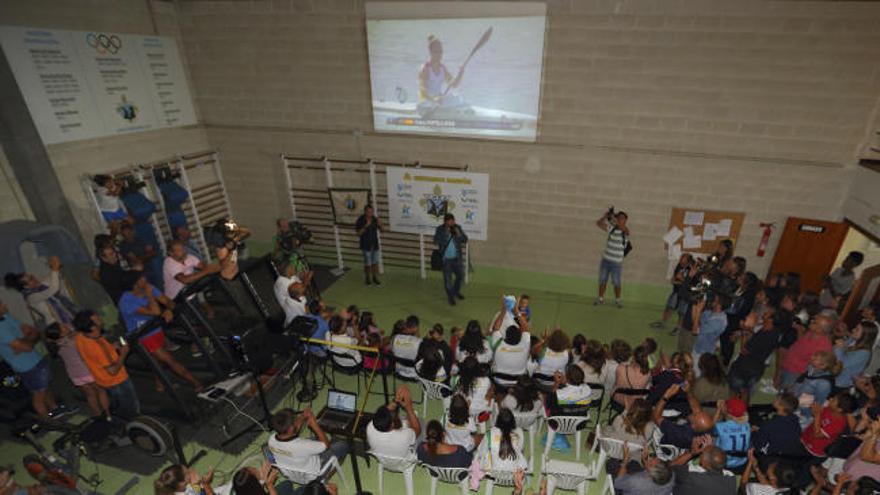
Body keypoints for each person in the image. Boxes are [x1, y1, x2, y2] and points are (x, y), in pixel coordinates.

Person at [118, 275, 202, 391]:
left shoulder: (149, 288)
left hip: (156, 330)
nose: (145, 280)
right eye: (141, 279)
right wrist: (149, 295)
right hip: (144, 336)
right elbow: (155, 312)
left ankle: (160, 385)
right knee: (169, 360)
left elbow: (168, 301)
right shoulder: (126, 301)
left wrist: (168, 310)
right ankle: (196, 383)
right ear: (135, 285)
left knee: (158, 361)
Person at [0, 299, 70, 419]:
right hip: (26, 366)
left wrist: (27, 340)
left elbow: (33, 332)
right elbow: (26, 346)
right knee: (39, 395)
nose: (4, 305)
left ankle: (55, 410)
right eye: (0, 304)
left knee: (45, 387)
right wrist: (27, 340)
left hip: (35, 359)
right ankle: (49, 422)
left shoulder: (6, 317)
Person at [73, 310, 140, 419]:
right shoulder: (96, 348)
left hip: (103, 380)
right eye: (97, 319)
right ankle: (135, 426)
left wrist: (112, 347)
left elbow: (98, 354)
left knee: (118, 405)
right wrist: (123, 353)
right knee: (130, 407)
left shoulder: (81, 337)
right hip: (117, 381)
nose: (100, 318)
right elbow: (113, 371)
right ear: (92, 328)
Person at [45, 322, 110, 419]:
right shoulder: (74, 341)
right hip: (88, 371)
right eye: (63, 327)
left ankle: (98, 414)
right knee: (101, 391)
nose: (66, 326)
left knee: (90, 395)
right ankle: (108, 415)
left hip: (76, 376)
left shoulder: (57, 345)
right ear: (61, 334)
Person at [267, 407, 349, 477]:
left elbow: (292, 430)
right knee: (343, 444)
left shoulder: (271, 440)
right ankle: (326, 477)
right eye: (294, 421)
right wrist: (314, 425)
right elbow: (326, 445)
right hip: (313, 474)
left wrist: (303, 416)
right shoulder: (302, 445)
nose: (296, 421)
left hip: (293, 473)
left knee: (314, 438)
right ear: (290, 428)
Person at [5, 255, 79, 327]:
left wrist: (54, 263)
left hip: (71, 313)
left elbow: (55, 276)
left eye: (32, 276)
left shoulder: (42, 284)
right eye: (30, 279)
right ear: (26, 286)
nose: (34, 278)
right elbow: (53, 290)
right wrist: (54, 269)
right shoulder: (31, 297)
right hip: (57, 324)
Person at [728, 306, 785, 400]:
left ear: (771, 320)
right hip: (756, 368)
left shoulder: (767, 335)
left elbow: (744, 350)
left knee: (736, 392)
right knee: (745, 393)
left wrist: (744, 331)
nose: (764, 313)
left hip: (745, 367)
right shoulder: (772, 331)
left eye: (767, 313)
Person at [653, 383, 715, 450]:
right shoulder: (705, 427)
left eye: (694, 415)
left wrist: (666, 396)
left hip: (665, 443)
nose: (694, 412)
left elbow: (656, 417)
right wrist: (688, 392)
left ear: (693, 425)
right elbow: (697, 408)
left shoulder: (682, 434)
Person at [780, 313, 834, 389]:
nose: (811, 321)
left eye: (815, 322)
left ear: (820, 329)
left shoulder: (824, 347)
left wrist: (799, 381)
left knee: (782, 396)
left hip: (794, 375)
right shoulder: (811, 333)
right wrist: (799, 330)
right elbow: (802, 344)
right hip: (787, 367)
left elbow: (816, 369)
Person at [367, 386, 421, 459]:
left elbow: (386, 411)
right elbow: (417, 430)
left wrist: (396, 400)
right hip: (403, 462)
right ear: (392, 424)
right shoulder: (404, 435)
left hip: (384, 458)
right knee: (421, 424)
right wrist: (409, 407)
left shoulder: (370, 427)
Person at [669, 438, 737, 494]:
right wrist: (710, 448)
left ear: (705, 463)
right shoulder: (731, 478)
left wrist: (691, 453)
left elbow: (668, 468)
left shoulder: (690, 474)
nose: (700, 455)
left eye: (702, 453)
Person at [594, 208, 630, 308]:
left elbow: (623, 227)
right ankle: (600, 299)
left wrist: (614, 218)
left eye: (622, 218)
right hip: (605, 260)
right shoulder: (612, 229)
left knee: (616, 282)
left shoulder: (625, 231)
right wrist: (606, 216)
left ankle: (618, 300)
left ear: (626, 220)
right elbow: (598, 223)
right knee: (602, 280)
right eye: (619, 218)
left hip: (616, 263)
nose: (620, 219)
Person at [751, 393, 803, 461]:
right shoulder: (795, 421)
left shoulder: (771, 424)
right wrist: (761, 430)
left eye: (777, 399)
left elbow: (759, 444)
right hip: (788, 454)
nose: (774, 399)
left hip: (773, 455)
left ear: (781, 407)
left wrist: (758, 432)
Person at [651, 253, 694, 331]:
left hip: (685, 294)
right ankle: (662, 322)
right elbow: (674, 278)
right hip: (676, 291)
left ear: (688, 262)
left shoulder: (691, 270)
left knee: (681, 312)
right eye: (681, 260)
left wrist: (681, 280)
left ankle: (678, 328)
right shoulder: (679, 265)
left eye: (683, 261)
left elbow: (690, 284)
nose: (681, 262)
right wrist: (675, 280)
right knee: (669, 307)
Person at [433, 213, 468, 306]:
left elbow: (465, 240)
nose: (451, 223)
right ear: (445, 222)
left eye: (453, 221)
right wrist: (446, 234)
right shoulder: (440, 229)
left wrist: (459, 234)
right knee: (448, 280)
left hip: (457, 258)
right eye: (449, 221)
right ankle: (451, 297)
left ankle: (456, 292)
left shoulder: (457, 227)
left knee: (460, 276)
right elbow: (436, 241)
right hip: (446, 260)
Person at [418, 35, 462, 106]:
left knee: (457, 97)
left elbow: (454, 84)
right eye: (436, 52)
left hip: (438, 100)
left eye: (441, 52)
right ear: (430, 52)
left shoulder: (442, 68)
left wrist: (461, 73)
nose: (439, 54)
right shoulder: (425, 69)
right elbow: (422, 91)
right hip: (426, 102)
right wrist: (433, 99)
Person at [691, 295, 730, 374]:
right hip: (697, 348)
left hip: (704, 353)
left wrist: (698, 310)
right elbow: (695, 322)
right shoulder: (709, 313)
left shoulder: (720, 321)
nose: (712, 302)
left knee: (696, 375)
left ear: (719, 305)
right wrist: (695, 307)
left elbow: (695, 331)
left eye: (715, 300)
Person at [834, 321, 877, 391]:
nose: (853, 330)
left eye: (857, 329)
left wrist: (839, 348)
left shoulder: (864, 353)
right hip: (835, 377)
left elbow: (841, 363)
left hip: (841, 383)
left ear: (865, 335)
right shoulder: (854, 340)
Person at [482, 407, 527, 471]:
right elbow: (520, 448)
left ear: (498, 420)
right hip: (515, 471)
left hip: (494, 471)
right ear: (513, 420)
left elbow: (483, 451)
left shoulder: (490, 432)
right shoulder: (519, 431)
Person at [713, 397, 751, 470]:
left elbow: (710, 427)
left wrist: (719, 410)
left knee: (709, 437)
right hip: (742, 461)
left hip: (724, 461)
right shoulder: (747, 425)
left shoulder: (721, 426)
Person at [612, 344, 652, 412]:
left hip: (618, 402)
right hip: (635, 405)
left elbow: (616, 383)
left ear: (633, 357)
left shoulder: (620, 368)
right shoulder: (648, 373)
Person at [355, 204, 383, 286]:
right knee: (368, 264)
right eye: (369, 212)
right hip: (365, 246)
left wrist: (380, 224)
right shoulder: (360, 220)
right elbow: (358, 233)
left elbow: (382, 230)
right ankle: (367, 277)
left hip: (375, 245)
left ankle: (375, 277)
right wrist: (365, 226)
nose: (371, 213)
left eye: (372, 212)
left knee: (375, 263)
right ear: (365, 212)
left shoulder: (374, 219)